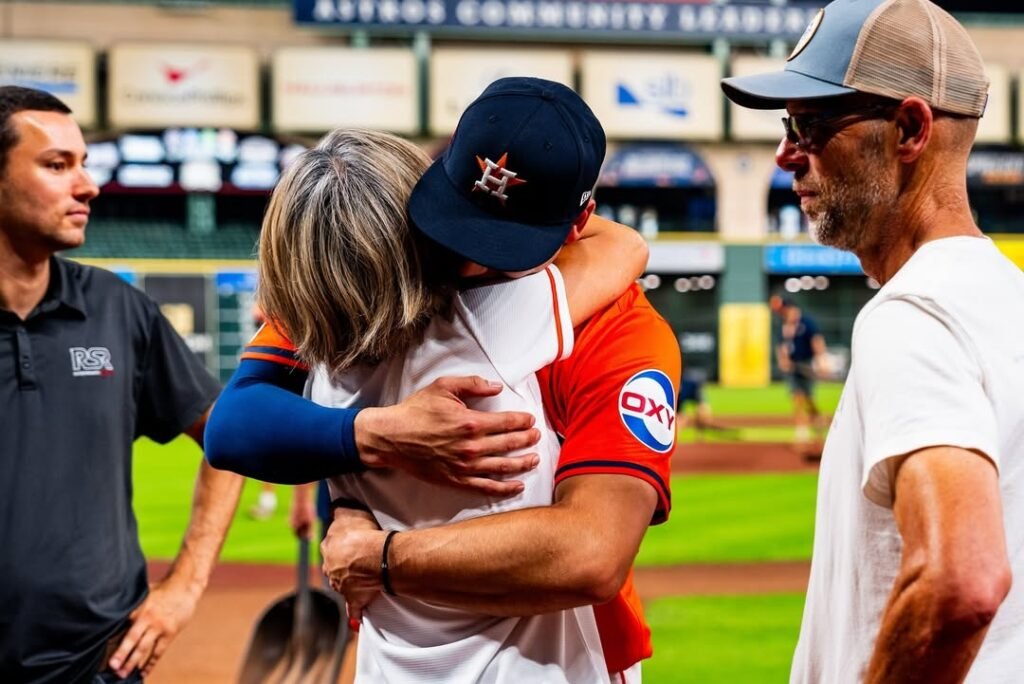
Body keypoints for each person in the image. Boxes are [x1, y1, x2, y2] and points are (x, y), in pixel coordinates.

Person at [206, 78, 679, 682]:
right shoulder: (519, 314)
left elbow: (591, 553)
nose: (475, 260)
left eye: (504, 244)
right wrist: (381, 434)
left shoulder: (334, 313)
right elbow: (623, 245)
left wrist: (375, 552)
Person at [722, 0, 1021, 681]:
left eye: (810, 125)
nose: (785, 154)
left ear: (910, 128)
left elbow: (961, 582)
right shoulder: (1007, 299)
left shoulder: (914, 310)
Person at [0, 85, 244, 683]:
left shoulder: (118, 310)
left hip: (98, 666)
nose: (87, 186)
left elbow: (230, 439)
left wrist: (186, 584)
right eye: (57, 166)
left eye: (83, 164)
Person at [769, 294, 828, 455]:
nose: (781, 313)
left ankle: (819, 426)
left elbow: (816, 341)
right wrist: (783, 360)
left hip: (806, 364)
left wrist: (821, 361)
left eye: (783, 309)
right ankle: (801, 436)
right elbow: (781, 346)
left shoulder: (806, 322)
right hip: (792, 368)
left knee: (809, 400)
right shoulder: (783, 326)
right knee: (797, 398)